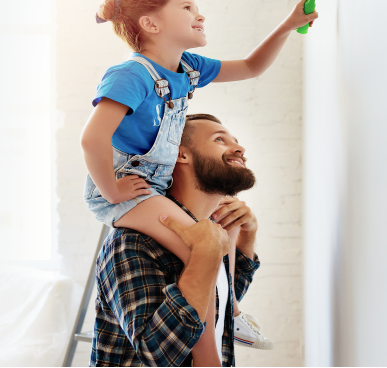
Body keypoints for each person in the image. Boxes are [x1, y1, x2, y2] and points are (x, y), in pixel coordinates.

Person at [81, 0, 314, 355]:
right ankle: (219, 339)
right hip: (128, 188)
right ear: (150, 24)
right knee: (200, 251)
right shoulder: (130, 75)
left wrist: (289, 24)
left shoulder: (187, 68)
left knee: (219, 234)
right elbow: (92, 139)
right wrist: (112, 191)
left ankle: (232, 310)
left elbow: (252, 67)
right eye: (187, 8)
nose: (200, 14)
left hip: (154, 186)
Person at [90, 114, 262, 367]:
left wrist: (247, 237)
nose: (239, 148)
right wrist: (205, 255)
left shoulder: (211, 234)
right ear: (181, 155)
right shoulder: (134, 242)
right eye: (219, 140)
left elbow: (220, 301)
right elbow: (157, 355)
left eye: (235, 141)